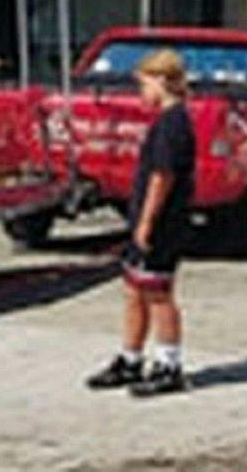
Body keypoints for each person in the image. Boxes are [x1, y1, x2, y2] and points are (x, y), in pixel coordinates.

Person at [86, 48, 195, 396]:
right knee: (134, 288)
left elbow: (162, 177)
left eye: (144, 85)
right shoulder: (164, 121)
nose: (141, 94)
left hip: (163, 222)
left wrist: (147, 222)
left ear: (162, 81)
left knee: (157, 291)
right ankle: (130, 357)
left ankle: (169, 363)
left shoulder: (173, 124)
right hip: (147, 219)